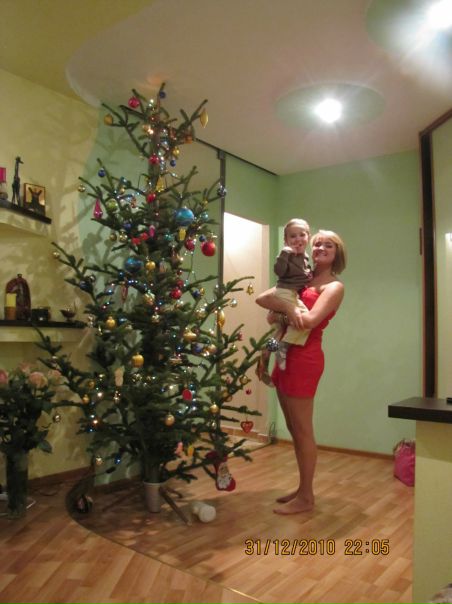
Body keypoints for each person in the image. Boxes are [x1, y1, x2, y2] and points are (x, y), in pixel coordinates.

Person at [255, 230, 346, 515]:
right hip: (284, 353)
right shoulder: (302, 278)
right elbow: (265, 302)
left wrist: (283, 309)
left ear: (337, 253)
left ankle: (306, 497)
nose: (320, 247)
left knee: (303, 430)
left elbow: (308, 321)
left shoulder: (333, 287)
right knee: (294, 428)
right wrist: (286, 311)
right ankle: (302, 488)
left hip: (305, 358)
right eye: (317, 243)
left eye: (328, 245)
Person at [256, 218, 312, 384]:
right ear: (286, 240)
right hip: (285, 291)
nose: (298, 239)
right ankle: (283, 347)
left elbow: (302, 274)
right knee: (303, 319)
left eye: (302, 235)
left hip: (291, 293)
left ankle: (264, 360)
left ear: (308, 237)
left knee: (278, 330)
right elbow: (279, 271)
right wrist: (284, 254)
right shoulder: (287, 254)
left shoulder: (304, 256)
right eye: (293, 236)